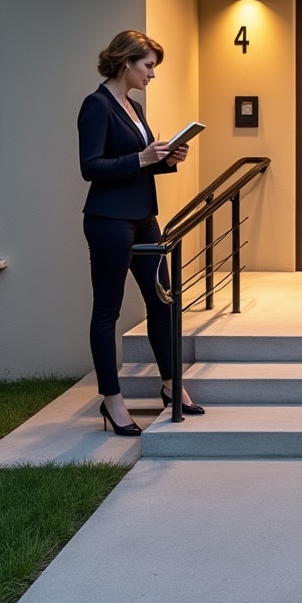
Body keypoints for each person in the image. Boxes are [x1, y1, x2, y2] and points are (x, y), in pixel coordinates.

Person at [78, 30, 204, 436]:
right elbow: (91, 167)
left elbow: (140, 164)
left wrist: (167, 159)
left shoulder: (133, 107)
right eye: (148, 65)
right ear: (125, 62)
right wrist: (140, 157)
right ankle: (112, 400)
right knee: (108, 311)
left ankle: (170, 385)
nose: (152, 73)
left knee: (163, 303)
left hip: (144, 217)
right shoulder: (96, 106)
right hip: (109, 222)